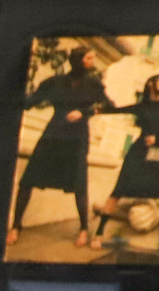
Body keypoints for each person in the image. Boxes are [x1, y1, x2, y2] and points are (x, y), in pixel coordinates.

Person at [10, 47, 115, 250]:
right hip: (53, 135)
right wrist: (13, 94)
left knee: (79, 185)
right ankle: (16, 226)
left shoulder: (93, 84)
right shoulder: (55, 81)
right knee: (28, 180)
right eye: (89, 57)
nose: (93, 60)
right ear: (79, 60)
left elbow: (110, 106)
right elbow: (31, 101)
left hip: (77, 139)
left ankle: (84, 228)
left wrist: (85, 112)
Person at [98, 73, 159, 251]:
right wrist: (95, 110)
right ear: (150, 83)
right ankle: (99, 233)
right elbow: (117, 110)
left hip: (158, 151)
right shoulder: (142, 106)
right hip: (138, 151)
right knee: (118, 191)